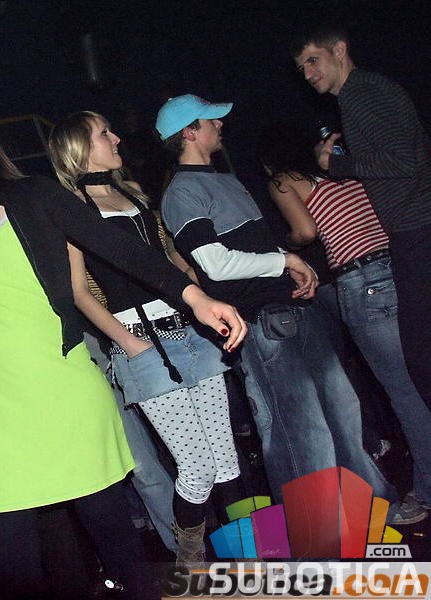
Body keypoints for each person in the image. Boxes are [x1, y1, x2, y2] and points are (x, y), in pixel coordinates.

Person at [0, 105, 246, 597]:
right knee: (13, 564)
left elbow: (118, 248)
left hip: (65, 391)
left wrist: (194, 296)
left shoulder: (35, 196)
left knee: (117, 544)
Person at [157, 95, 398, 520]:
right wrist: (285, 260)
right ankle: (323, 532)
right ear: (189, 132)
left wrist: (292, 270)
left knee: (343, 413)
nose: (220, 124)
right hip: (259, 323)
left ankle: (374, 509)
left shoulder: (227, 181)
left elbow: (256, 250)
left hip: (291, 309)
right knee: (302, 430)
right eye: (210, 120)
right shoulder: (182, 191)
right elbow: (214, 263)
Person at [48, 110, 245, 563]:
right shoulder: (72, 208)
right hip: (141, 343)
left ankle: (251, 557)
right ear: (81, 147)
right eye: (104, 133)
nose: (116, 137)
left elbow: (167, 259)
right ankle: (190, 556)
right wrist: (130, 344)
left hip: (189, 331)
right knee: (197, 468)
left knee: (227, 460)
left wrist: (201, 296)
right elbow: (78, 291)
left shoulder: (130, 191)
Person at [257, 124, 430, 524]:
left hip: (363, 281)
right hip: (402, 267)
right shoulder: (341, 167)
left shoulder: (283, 182)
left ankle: (426, 491)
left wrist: (287, 245)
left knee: (404, 391)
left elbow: (306, 231)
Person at [290, 25, 431, 411]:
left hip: (416, 228)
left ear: (339, 50)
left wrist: (334, 165)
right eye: (302, 68)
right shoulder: (366, 91)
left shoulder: (360, 94)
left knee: (420, 358)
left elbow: (403, 161)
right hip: (414, 228)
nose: (308, 74)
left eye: (313, 61)